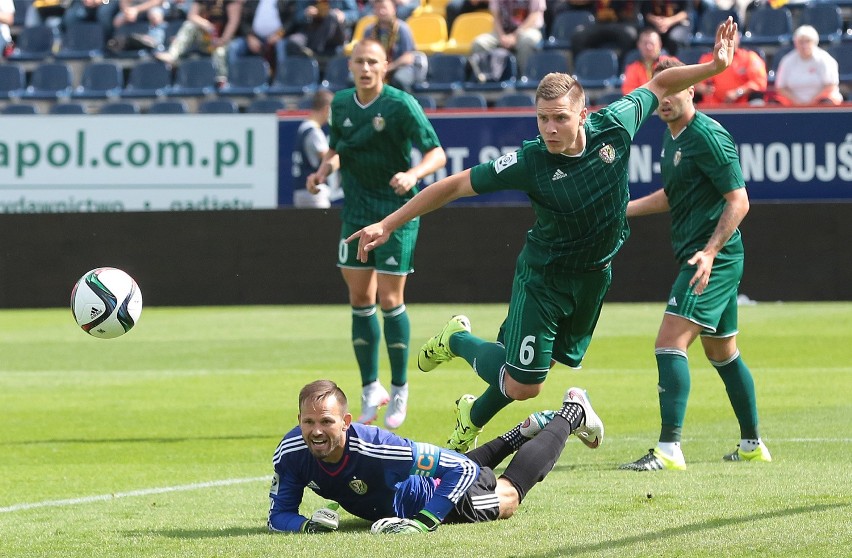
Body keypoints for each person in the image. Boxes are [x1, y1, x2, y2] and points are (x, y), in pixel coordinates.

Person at [348, 17, 741, 452]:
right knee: (525, 385)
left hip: (593, 275)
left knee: (534, 370)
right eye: (542, 119)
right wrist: (389, 223)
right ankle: (456, 339)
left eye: (559, 118)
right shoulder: (531, 160)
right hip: (546, 276)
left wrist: (715, 66)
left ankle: (470, 416)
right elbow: (455, 185)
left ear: (583, 115)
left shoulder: (614, 125)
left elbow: (662, 81)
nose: (550, 128)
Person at [619, 57, 771, 471]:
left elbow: (739, 200)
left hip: (710, 259)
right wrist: (623, 210)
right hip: (705, 255)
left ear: (692, 88)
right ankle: (753, 444)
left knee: (669, 342)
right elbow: (673, 195)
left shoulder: (707, 136)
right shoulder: (673, 137)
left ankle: (669, 450)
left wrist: (710, 252)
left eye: (673, 89)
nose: (664, 98)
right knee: (723, 353)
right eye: (658, 91)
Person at [305, 39, 447, 430]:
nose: (365, 68)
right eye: (358, 62)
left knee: (389, 298)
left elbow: (437, 153)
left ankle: (400, 387)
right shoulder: (342, 104)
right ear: (349, 66)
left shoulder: (401, 105)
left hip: (396, 213)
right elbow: (336, 150)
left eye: (372, 61)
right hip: (355, 213)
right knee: (358, 297)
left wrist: (414, 174)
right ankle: (371, 388)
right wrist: (322, 172)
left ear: (385, 65)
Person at [267, 379, 604, 533]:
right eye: (308, 422)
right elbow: (279, 514)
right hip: (415, 490)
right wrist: (308, 527)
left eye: (326, 421)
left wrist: (423, 522)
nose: (316, 431)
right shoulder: (292, 452)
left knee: (508, 496)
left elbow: (458, 467)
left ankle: (573, 413)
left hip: (447, 498)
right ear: (299, 421)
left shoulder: (381, 448)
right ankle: (519, 434)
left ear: (346, 422)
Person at [155, 0, 243, 87]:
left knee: (220, 51)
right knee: (190, 26)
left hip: (224, 40)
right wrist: (206, 25)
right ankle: (172, 55)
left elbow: (233, 21)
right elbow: (192, 16)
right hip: (206, 38)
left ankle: (222, 78)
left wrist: (222, 40)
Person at [772, 24, 843, 107]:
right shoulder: (787, 60)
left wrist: (812, 101)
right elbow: (781, 87)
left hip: (821, 101)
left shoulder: (825, 59)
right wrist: (796, 101)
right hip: (793, 102)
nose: (804, 45)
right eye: (801, 42)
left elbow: (830, 85)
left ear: (815, 42)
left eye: (808, 41)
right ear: (796, 43)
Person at [471, 0, 546, 77]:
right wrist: (502, 36)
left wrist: (515, 35)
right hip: (503, 32)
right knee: (479, 43)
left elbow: (534, 15)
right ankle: (486, 79)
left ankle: (525, 78)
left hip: (527, 29)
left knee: (528, 40)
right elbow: (496, 17)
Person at [363, 0, 423, 93]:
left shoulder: (402, 29)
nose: (381, 12)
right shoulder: (370, 31)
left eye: (384, 8)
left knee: (399, 80)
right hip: (377, 68)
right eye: (378, 8)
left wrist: (388, 68)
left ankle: (404, 105)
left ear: (393, 9)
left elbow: (408, 58)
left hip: (400, 67)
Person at [293, 89, 339, 208]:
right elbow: (327, 158)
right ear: (326, 109)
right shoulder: (314, 132)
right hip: (314, 190)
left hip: (300, 188)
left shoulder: (302, 127)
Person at [227, 0, 297, 70]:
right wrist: (250, 36)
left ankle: (282, 78)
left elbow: (291, 21)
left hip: (279, 38)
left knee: (281, 46)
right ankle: (233, 78)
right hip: (254, 37)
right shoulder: (252, 1)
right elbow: (244, 20)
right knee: (234, 46)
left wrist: (279, 34)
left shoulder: (286, 1)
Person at [569, 0, 639, 61]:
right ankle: (585, 68)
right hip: (599, 24)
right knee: (578, 37)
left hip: (621, 24)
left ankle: (623, 69)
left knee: (630, 34)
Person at [288, 0, 359, 60]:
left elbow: (355, 13)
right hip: (312, 30)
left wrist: (344, 15)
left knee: (332, 16)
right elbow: (296, 17)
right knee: (294, 41)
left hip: (335, 34)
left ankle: (314, 52)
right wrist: (306, 13)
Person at [621, 28, 667, 94]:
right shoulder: (633, 68)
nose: (649, 47)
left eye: (652, 43)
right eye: (645, 43)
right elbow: (627, 90)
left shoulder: (670, 63)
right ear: (639, 45)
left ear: (660, 44)